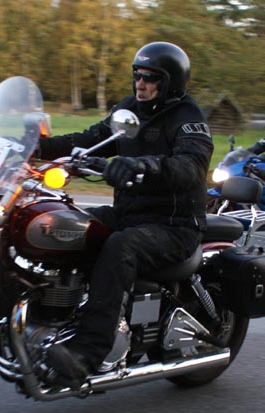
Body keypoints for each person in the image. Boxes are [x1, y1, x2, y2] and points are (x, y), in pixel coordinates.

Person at [35, 42, 214, 388]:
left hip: (174, 225)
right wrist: (38, 147)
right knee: (62, 224)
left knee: (121, 247)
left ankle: (86, 354)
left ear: (170, 82)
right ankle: (52, 320)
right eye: (137, 76)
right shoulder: (130, 110)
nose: (140, 84)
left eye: (150, 78)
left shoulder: (188, 118)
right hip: (130, 214)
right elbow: (92, 138)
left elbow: (191, 166)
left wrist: (140, 165)